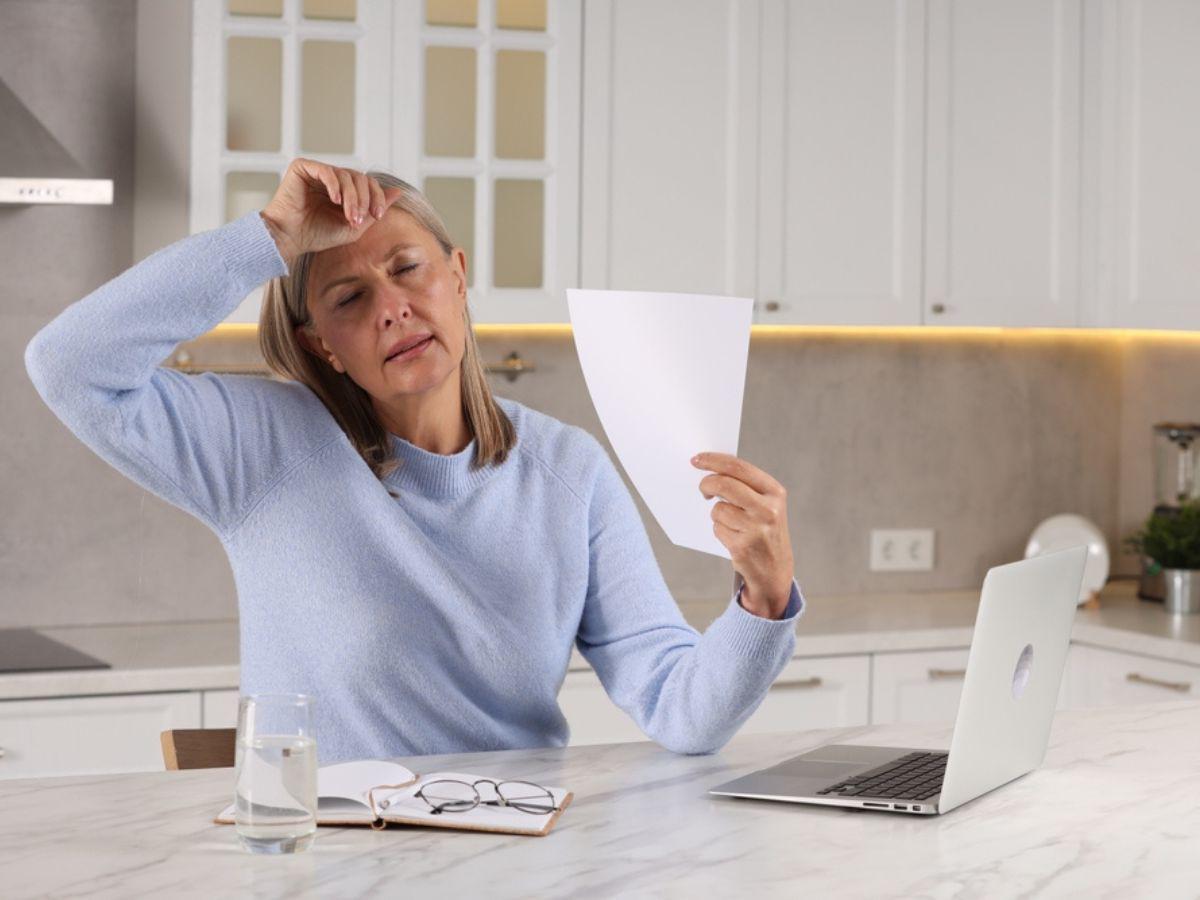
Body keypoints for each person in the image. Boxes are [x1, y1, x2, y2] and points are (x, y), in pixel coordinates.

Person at [24, 158, 806, 763]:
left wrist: (763, 601)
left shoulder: (571, 474)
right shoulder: (261, 448)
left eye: (406, 269)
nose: (392, 306)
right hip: (328, 867)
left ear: (457, 278)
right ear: (319, 345)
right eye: (348, 299)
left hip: (514, 861)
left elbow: (681, 711)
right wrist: (266, 238)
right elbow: (68, 366)